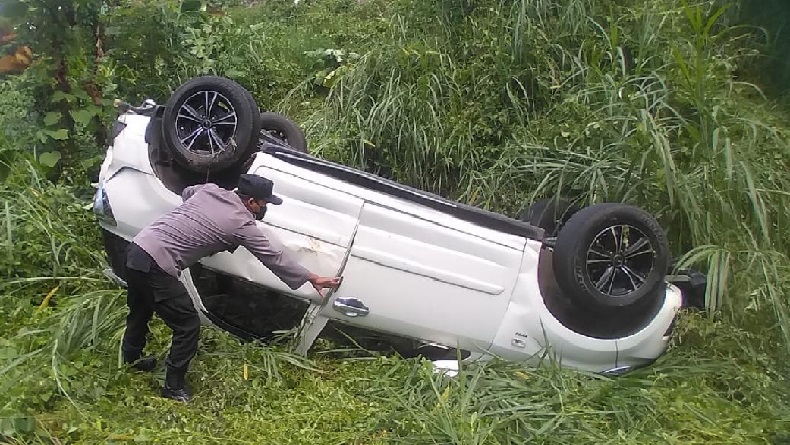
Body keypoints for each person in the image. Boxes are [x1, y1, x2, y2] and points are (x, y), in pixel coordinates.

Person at [120, 174, 341, 402]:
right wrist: (312, 277)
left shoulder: (209, 190)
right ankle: (173, 387)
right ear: (251, 202)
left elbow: (187, 192)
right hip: (156, 265)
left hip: (137, 248)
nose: (264, 208)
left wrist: (200, 218)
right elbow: (273, 257)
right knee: (187, 325)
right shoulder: (241, 223)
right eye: (264, 203)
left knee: (140, 309)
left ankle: (132, 360)